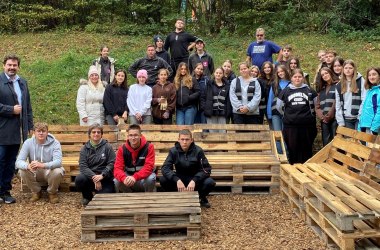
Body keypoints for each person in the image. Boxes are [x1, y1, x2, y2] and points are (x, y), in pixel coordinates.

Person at [0, 54, 33, 204]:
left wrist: (30, 125)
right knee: (1, 160)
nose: (12, 67)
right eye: (9, 65)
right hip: (2, 129)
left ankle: (5, 192)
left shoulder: (22, 82)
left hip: (17, 131)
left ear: (18, 66)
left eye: (14, 65)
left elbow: (27, 107)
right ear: (4, 66)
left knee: (10, 162)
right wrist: (10, 110)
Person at [160, 129, 215, 208]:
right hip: (180, 178)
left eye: (187, 139)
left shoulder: (198, 151)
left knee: (210, 182)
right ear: (178, 140)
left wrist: (194, 180)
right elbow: (165, 168)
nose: (184, 142)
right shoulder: (173, 151)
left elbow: (206, 169)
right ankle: (177, 198)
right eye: (182, 139)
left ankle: (200, 198)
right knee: (163, 180)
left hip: (194, 179)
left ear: (191, 140)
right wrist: (176, 180)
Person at [276, 69, 318, 164]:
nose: (297, 79)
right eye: (295, 77)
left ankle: (306, 169)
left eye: (299, 77)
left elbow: (316, 105)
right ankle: (293, 168)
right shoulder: (285, 91)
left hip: (307, 126)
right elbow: (279, 107)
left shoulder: (310, 90)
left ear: (303, 78)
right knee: (292, 148)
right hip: (290, 126)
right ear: (291, 78)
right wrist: (288, 116)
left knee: (306, 148)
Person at [16, 122, 64, 203]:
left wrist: (43, 165)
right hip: (34, 170)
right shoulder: (28, 142)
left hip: (49, 170)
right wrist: (28, 166)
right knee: (22, 170)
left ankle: (52, 193)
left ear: (47, 132)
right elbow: (18, 161)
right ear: (34, 132)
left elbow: (58, 162)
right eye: (38, 131)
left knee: (58, 171)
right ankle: (36, 192)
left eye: (43, 131)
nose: (41, 133)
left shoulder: (55, 143)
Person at [75, 124, 116, 206]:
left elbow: (112, 163)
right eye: (93, 132)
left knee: (104, 200)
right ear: (89, 134)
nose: (96, 134)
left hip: (105, 178)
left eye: (98, 132)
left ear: (101, 134)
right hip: (90, 177)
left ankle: (100, 194)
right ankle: (87, 197)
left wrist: (102, 175)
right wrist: (95, 178)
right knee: (79, 179)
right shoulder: (84, 149)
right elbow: (83, 166)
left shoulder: (107, 147)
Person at [114, 124, 156, 193]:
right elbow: (117, 168)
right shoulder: (122, 149)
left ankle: (148, 196)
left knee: (150, 179)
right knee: (117, 181)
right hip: (129, 177)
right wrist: (124, 179)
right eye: (130, 135)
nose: (133, 138)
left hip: (143, 178)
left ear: (140, 136)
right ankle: (129, 196)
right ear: (128, 136)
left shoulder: (149, 147)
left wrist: (135, 177)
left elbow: (149, 167)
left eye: (136, 135)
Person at [335, 59, 367, 129]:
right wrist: (340, 121)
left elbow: (364, 99)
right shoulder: (338, 85)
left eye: (350, 68)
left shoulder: (361, 81)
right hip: (346, 118)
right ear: (343, 69)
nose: (348, 70)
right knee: (348, 139)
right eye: (346, 68)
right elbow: (338, 105)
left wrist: (360, 115)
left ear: (354, 69)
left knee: (359, 139)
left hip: (359, 117)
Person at [315, 67, 338, 146]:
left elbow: (336, 101)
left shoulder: (337, 85)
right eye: (322, 75)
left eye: (326, 73)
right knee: (326, 142)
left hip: (335, 118)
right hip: (324, 120)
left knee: (335, 141)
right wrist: (322, 117)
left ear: (330, 73)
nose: (325, 75)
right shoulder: (321, 88)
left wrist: (330, 115)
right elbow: (317, 106)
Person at [267, 65, 291, 131]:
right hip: (275, 112)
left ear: (285, 71)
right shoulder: (274, 84)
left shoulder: (291, 84)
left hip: (287, 112)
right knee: (277, 133)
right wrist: (269, 113)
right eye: (278, 72)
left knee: (286, 133)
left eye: (282, 71)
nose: (280, 73)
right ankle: (278, 142)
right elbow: (270, 99)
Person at [358, 67, 380, 134]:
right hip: (367, 126)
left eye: (374, 74)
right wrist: (360, 125)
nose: (371, 77)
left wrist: (374, 128)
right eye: (369, 75)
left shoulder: (378, 91)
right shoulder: (369, 91)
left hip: (374, 127)